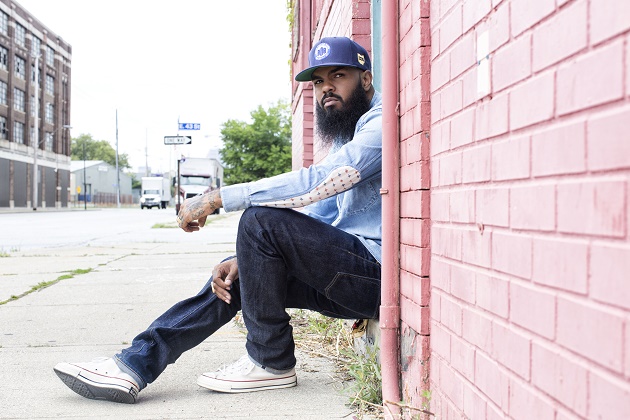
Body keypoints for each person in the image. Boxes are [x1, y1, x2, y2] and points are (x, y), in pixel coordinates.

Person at [54, 36, 383, 404]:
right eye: (319, 81)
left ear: (365, 79)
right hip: (346, 276)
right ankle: (134, 364)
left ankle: (270, 361)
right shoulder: (345, 134)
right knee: (237, 278)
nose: (326, 88)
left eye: (338, 76)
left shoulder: (380, 125)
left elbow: (321, 182)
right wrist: (249, 259)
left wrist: (218, 198)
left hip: (374, 280)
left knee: (258, 220)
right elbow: (318, 215)